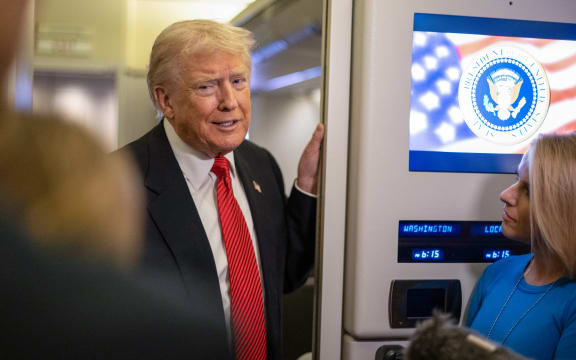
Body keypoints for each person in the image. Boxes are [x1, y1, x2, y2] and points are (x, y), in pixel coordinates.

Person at [122, 19, 324, 360]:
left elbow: (283, 276)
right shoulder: (122, 180)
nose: (230, 101)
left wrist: (306, 187)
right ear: (166, 100)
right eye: (207, 87)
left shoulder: (260, 163)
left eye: (238, 81)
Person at [465, 133, 576, 360]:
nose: (505, 195)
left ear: (563, 205)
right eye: (516, 179)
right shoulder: (496, 272)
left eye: (528, 190)